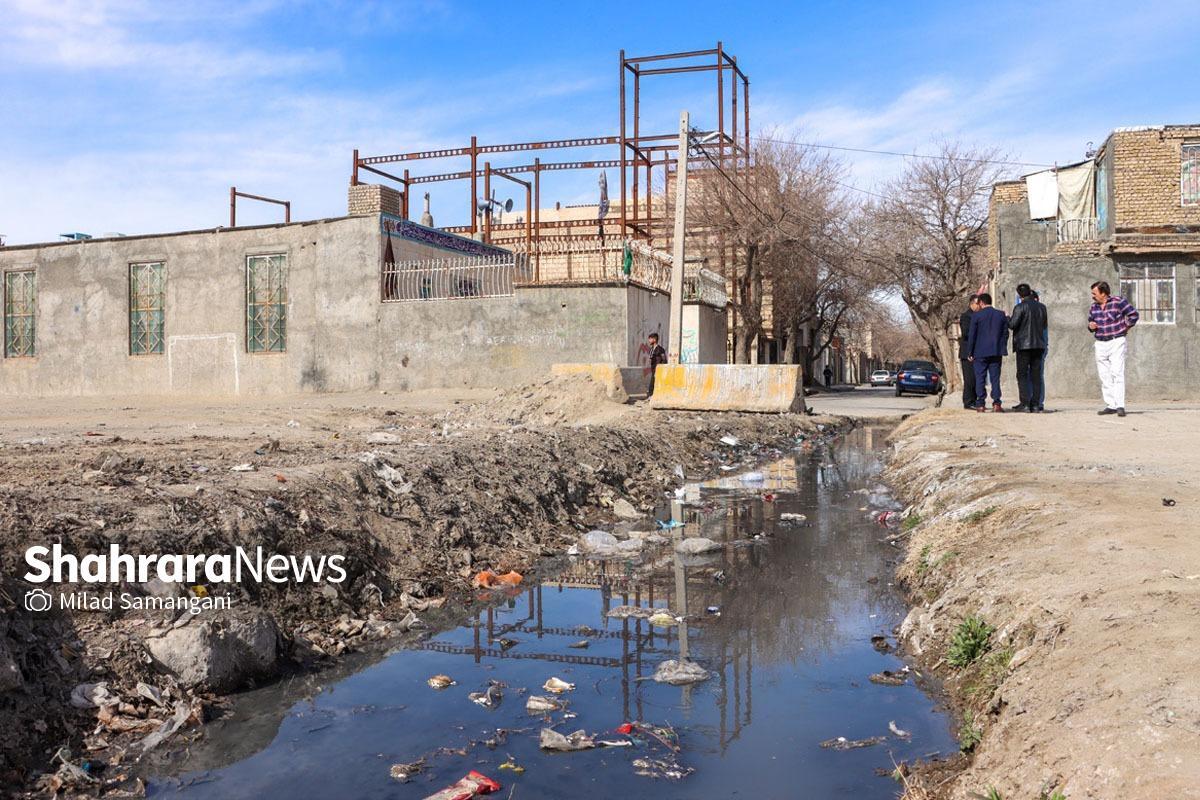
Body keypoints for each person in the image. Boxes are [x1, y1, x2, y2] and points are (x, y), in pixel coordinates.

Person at [1087, 280, 1138, 417]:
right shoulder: (1094, 307)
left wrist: (1125, 327)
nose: (1093, 296)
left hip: (1116, 340)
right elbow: (1090, 322)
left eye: (1095, 293)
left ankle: (1120, 405)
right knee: (1104, 374)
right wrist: (1091, 326)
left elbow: (1133, 315)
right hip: (1100, 342)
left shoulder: (1118, 302)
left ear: (1103, 293)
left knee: (1117, 372)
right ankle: (1111, 404)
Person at [1008, 283, 1049, 412]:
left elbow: (1013, 324)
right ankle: (1036, 404)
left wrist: (1007, 318)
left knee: (1022, 374)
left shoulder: (1020, 307)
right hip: (1038, 345)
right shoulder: (1042, 307)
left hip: (1023, 346)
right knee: (1036, 375)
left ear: (1020, 295)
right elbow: (1043, 325)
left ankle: (1025, 403)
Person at [966, 292, 1009, 412]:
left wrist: (970, 352)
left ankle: (980, 404)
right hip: (996, 351)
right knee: (995, 378)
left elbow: (972, 335)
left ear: (981, 302)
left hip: (979, 352)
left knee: (980, 378)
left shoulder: (977, 316)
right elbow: (1005, 333)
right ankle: (996, 403)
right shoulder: (1000, 315)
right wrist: (1002, 346)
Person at [958, 295, 981, 409]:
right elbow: (966, 333)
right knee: (969, 378)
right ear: (972, 304)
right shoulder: (966, 316)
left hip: (977, 352)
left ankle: (975, 400)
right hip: (967, 352)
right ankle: (968, 401)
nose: (979, 306)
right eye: (977, 304)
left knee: (977, 378)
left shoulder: (979, 315)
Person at [646, 332, 667, 397]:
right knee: (654, 383)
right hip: (653, 369)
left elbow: (664, 360)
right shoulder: (652, 349)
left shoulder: (660, 349)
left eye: (650, 339)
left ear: (654, 339)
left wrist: (661, 369)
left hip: (658, 369)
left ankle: (651, 395)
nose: (649, 340)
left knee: (653, 383)